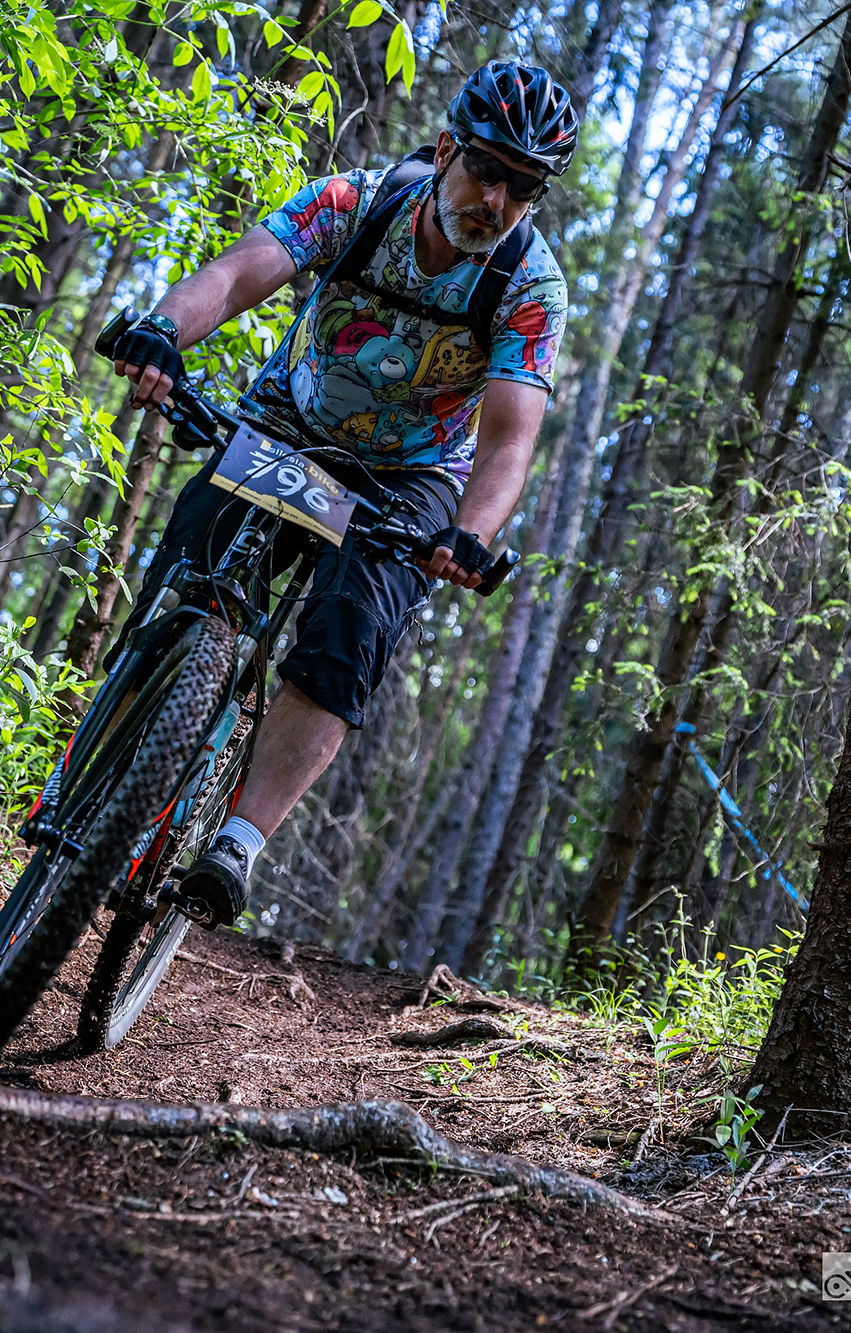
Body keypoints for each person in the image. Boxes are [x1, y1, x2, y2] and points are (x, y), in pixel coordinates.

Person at [106, 62, 578, 928]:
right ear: (447, 150)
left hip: (409, 476)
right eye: (487, 169)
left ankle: (237, 842)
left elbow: (510, 440)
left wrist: (471, 533)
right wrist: (164, 331)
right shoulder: (357, 201)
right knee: (189, 565)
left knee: (350, 627)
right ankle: (105, 763)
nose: (497, 200)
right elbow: (240, 273)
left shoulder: (529, 286)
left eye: (524, 187)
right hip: (290, 418)